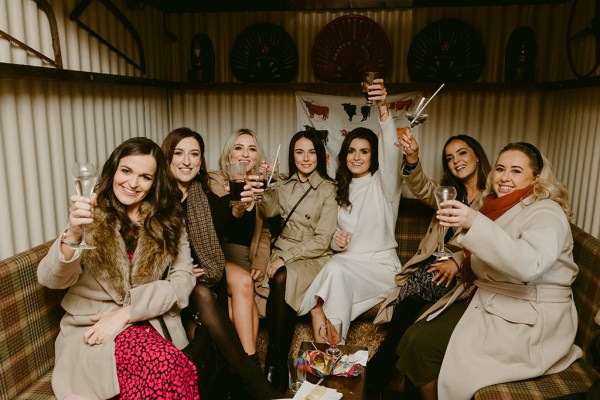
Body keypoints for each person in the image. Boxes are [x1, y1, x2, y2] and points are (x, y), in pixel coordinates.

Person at [396, 142, 582, 400]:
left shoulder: (546, 211)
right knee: (413, 337)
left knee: (424, 346)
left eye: (516, 171)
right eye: (500, 169)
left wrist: (474, 222)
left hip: (529, 315)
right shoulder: (501, 205)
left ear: (536, 178)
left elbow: (530, 264)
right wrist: (462, 256)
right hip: (492, 298)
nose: (505, 177)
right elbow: (496, 248)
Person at [38, 137, 199, 399]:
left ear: (155, 182)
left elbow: (183, 279)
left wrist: (129, 311)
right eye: (126, 171)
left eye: (145, 177)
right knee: (164, 365)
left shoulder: (169, 219)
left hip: (150, 322)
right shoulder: (90, 215)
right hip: (93, 330)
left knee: (174, 367)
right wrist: (74, 234)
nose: (133, 184)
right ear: (113, 170)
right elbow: (52, 280)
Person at [366, 132, 492, 394]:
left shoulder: (491, 200)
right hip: (431, 265)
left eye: (462, 153)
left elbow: (492, 241)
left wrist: (458, 261)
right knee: (413, 294)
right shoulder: (449, 194)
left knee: (415, 300)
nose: (456, 161)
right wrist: (412, 157)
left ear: (477, 156)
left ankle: (380, 368)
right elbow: (421, 185)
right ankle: (385, 369)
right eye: (449, 158)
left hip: (462, 274)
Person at [161, 128, 278, 400]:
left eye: (194, 154)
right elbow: (150, 250)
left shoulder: (201, 195)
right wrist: (177, 270)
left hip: (208, 276)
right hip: (177, 282)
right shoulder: (158, 198)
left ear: (201, 161)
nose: (187, 161)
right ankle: (252, 380)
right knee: (203, 295)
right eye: (179, 153)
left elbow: (222, 219)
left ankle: (248, 376)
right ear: (167, 158)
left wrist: (237, 207)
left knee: (211, 291)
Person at [298, 79, 401, 344]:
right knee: (325, 289)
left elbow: (392, 151)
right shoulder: (338, 190)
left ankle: (331, 352)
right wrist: (337, 240)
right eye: (352, 151)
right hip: (348, 264)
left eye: (364, 152)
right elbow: (333, 235)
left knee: (336, 268)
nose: (357, 157)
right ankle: (331, 353)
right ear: (343, 156)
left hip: (380, 268)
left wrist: (383, 110)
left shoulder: (384, 184)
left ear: (373, 156)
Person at [259, 129, 338, 392]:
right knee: (279, 274)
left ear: (321, 155)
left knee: (283, 275)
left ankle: (274, 361)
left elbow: (323, 239)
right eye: (299, 152)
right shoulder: (283, 184)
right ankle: (277, 365)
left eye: (311, 152)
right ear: (293, 156)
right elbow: (268, 210)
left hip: (313, 254)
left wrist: (286, 258)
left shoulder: (329, 189)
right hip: (282, 248)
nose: (306, 158)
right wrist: (266, 185)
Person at [208, 128, 270, 360]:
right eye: (239, 148)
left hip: (247, 259)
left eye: (251, 149)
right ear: (229, 154)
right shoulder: (216, 180)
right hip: (220, 255)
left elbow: (265, 233)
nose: (245, 154)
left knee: (241, 307)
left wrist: (262, 262)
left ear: (257, 156)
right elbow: (218, 217)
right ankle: (250, 368)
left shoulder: (261, 185)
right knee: (239, 297)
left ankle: (240, 374)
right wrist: (233, 198)